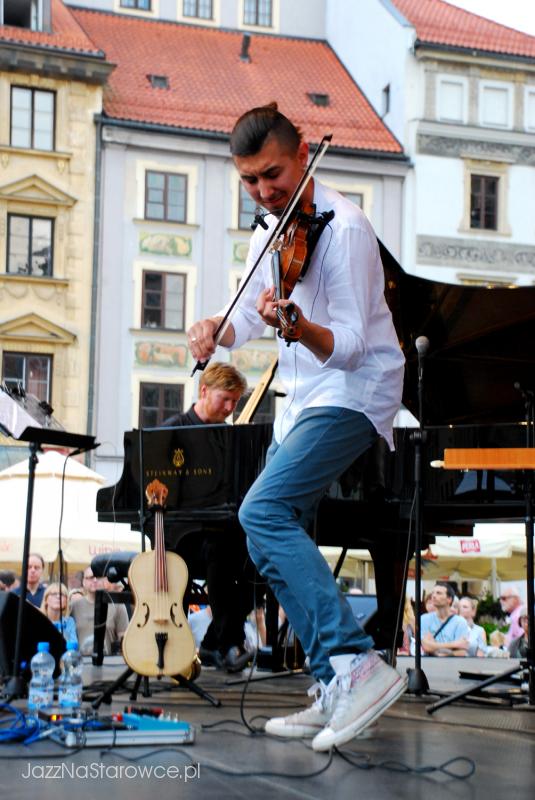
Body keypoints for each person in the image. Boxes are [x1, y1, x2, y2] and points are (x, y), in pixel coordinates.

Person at [186, 103, 407, 751]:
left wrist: (298, 327)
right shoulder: (269, 230)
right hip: (302, 398)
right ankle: (332, 681)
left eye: (272, 174)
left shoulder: (347, 230)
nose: (262, 190)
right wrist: (216, 328)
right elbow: (245, 322)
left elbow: (354, 347)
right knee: (262, 541)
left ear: (303, 155)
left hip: (356, 392)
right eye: (249, 180)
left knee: (262, 511)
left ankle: (358, 664)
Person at [163, 361, 262, 672]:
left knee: (265, 559)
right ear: (204, 391)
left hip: (223, 532)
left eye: (236, 401)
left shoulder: (229, 437)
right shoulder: (173, 429)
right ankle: (229, 644)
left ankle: (211, 643)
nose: (231, 408)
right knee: (220, 550)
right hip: (181, 537)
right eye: (225, 399)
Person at [71, 566, 128, 656]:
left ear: (105, 580)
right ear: (84, 582)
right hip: (81, 661)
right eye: (90, 578)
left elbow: (123, 638)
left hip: (108, 660)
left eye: (98, 577)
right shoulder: (74, 606)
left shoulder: (117, 605)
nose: (94, 580)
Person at [420, 582, 470, 657]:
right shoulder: (424, 619)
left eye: (438, 593)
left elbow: (462, 651)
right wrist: (455, 644)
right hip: (429, 662)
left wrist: (435, 647)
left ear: (449, 599)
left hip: (453, 663)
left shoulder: (460, 622)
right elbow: (426, 646)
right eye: (433, 593)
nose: (434, 596)